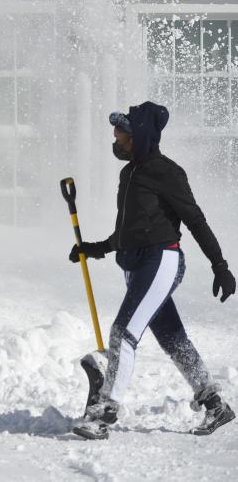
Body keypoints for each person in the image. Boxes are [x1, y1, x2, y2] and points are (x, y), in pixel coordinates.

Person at [68, 101, 236, 440]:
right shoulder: (129, 174)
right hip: (136, 265)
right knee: (173, 339)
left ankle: (104, 413)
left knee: (122, 333)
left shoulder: (166, 172)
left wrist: (220, 265)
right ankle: (215, 403)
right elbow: (128, 231)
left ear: (140, 135)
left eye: (122, 132)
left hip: (161, 260)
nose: (116, 137)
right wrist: (94, 249)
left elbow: (195, 220)